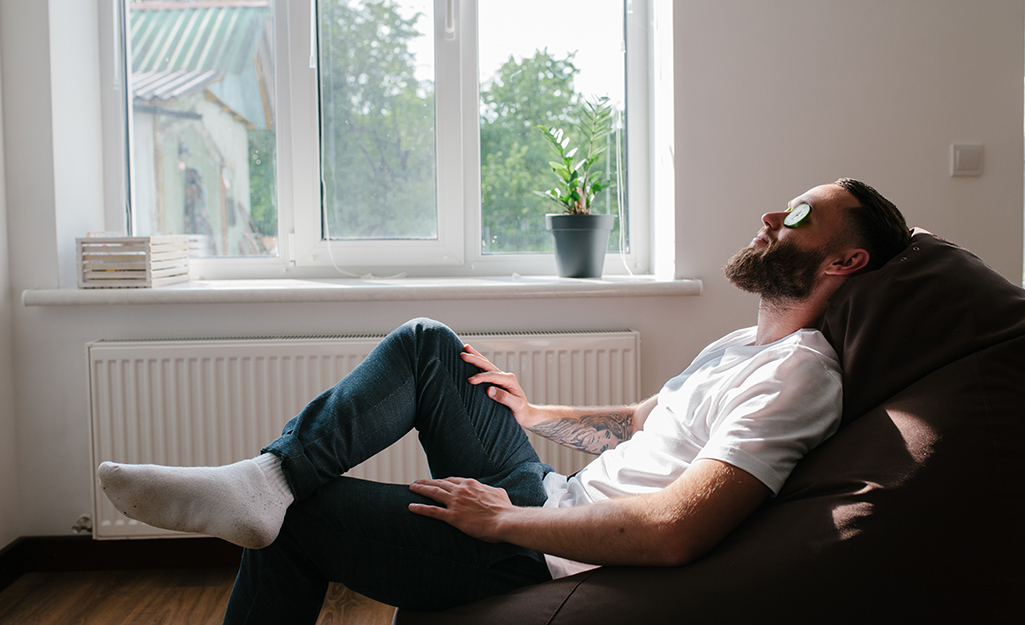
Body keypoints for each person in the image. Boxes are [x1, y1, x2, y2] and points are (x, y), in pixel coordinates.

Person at [98, 178, 910, 623]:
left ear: (845, 259)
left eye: (799, 213)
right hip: (553, 498)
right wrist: (530, 414)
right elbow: (638, 424)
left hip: (548, 546)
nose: (772, 212)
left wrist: (502, 520)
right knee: (430, 344)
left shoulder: (799, 376)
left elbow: (672, 530)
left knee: (298, 521)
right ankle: (266, 475)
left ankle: (269, 487)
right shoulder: (741, 346)